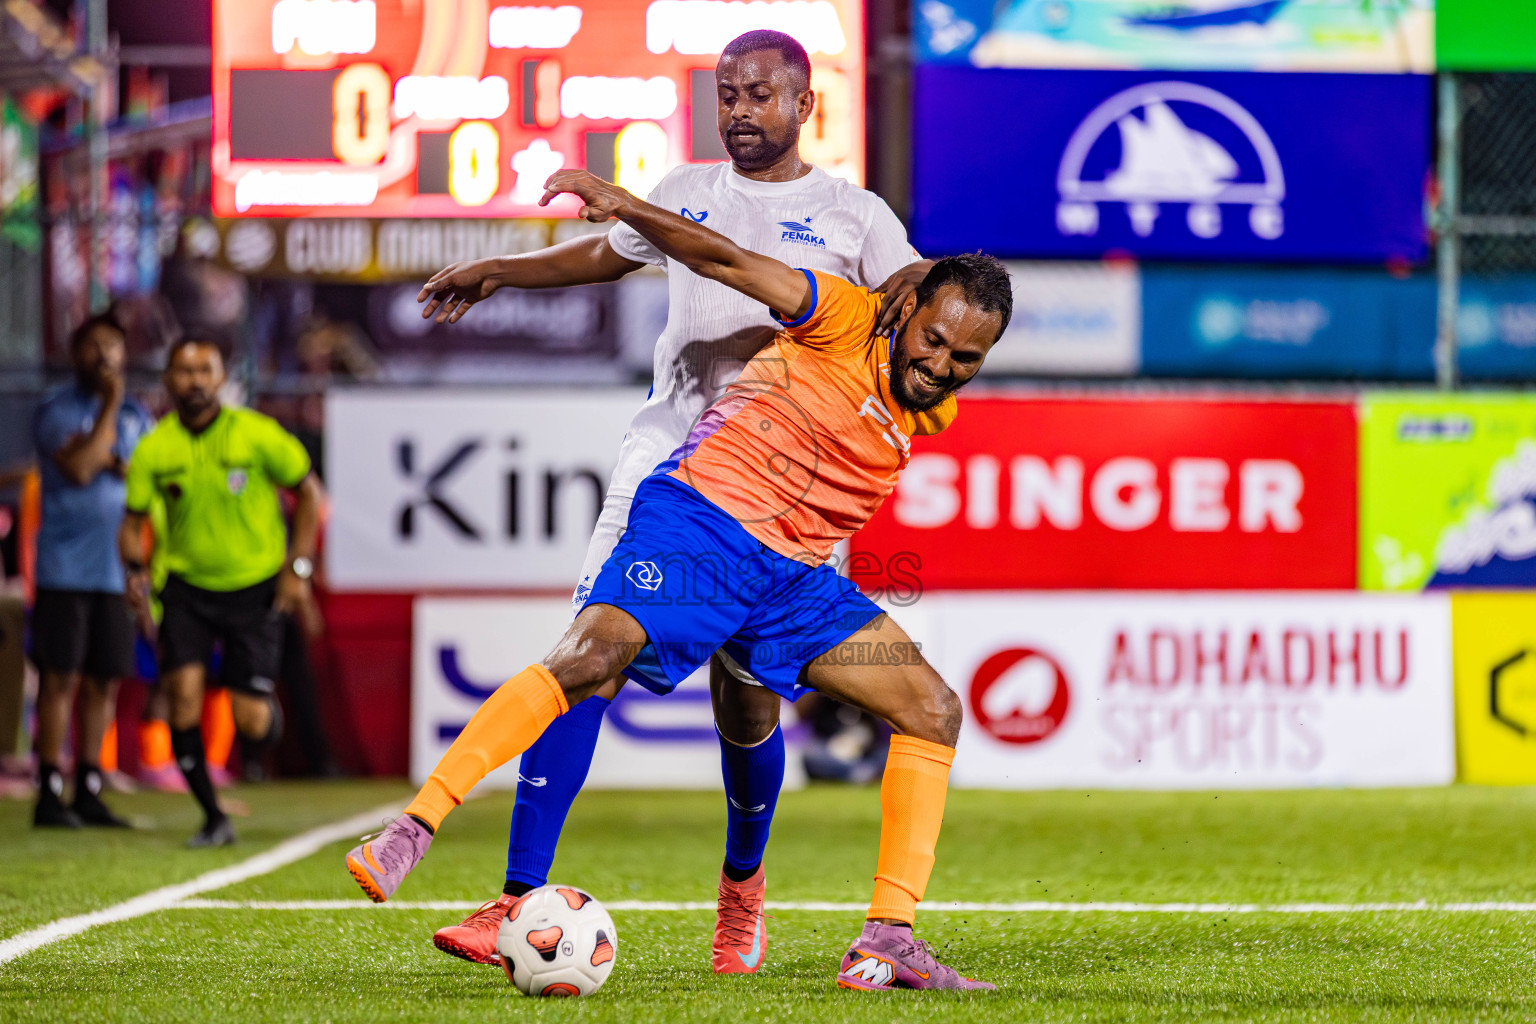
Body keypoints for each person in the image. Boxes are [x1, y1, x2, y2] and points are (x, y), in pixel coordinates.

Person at [349, 168, 1011, 991]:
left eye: (966, 358)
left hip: (794, 578)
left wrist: (926, 312)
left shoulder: (917, 365)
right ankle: (416, 830)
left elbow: (928, 284)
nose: (943, 364)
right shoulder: (840, 310)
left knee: (926, 709)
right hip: (701, 523)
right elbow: (729, 260)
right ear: (905, 310)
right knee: (591, 659)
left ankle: (883, 936)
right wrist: (626, 205)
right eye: (935, 342)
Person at [415, 29, 932, 973]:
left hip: (791, 495)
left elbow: (914, 307)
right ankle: (516, 896)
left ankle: (742, 894)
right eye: (728, 93)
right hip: (669, 469)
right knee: (586, 655)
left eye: (761, 95)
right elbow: (603, 257)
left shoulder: (855, 216)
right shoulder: (688, 189)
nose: (740, 109)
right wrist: (500, 269)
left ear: (806, 106)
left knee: (747, 707)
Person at [118, 337, 324, 846]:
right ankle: (212, 817)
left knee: (251, 722)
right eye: (183, 371)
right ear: (167, 380)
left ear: (220, 377)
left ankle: (261, 708)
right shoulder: (154, 449)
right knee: (182, 700)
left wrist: (298, 567)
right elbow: (132, 520)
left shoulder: (256, 434)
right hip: (185, 589)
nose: (194, 380)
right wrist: (133, 571)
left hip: (254, 589)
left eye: (204, 370)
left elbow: (309, 493)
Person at [28, 313, 154, 827]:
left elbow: (141, 475)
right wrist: (107, 407)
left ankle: (89, 784)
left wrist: (106, 453)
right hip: (64, 567)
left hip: (114, 570)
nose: (104, 355)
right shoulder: (57, 410)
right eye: (93, 345)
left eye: (113, 345)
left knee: (105, 680)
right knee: (61, 678)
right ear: (74, 352)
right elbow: (80, 469)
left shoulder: (138, 415)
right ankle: (48, 791)